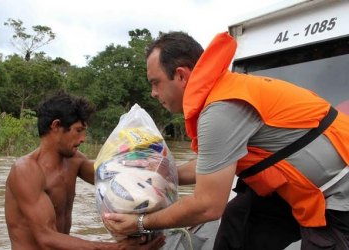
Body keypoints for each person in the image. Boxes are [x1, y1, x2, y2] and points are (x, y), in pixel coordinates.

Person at [103, 31, 349, 249]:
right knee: (238, 218)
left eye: (155, 83)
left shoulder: (220, 109)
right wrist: (155, 175)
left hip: (338, 196)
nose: (153, 93)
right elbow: (209, 167)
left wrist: (140, 223)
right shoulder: (224, 91)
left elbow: (208, 205)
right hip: (296, 190)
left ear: (180, 75)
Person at [5, 91, 165, 250]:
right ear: (56, 126)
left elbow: (115, 177)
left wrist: (146, 157)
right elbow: (46, 238)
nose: (83, 138)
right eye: (78, 130)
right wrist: (117, 248)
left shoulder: (74, 161)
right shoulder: (25, 171)